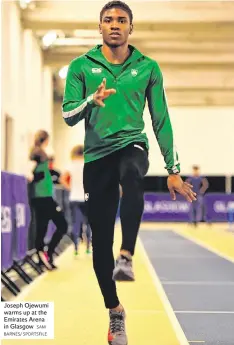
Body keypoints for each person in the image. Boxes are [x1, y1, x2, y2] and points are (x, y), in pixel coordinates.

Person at [62, 1, 196, 344]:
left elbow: (161, 118)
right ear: (100, 27)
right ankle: (115, 311)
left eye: (122, 20)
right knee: (99, 244)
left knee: (132, 174)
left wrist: (173, 169)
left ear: (131, 28)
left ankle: (127, 255)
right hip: (96, 157)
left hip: (132, 145)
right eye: (108, 20)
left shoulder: (148, 67)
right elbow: (68, 115)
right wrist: (91, 100)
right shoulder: (81, 66)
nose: (115, 25)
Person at [29, 130, 68, 270]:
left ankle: (45, 254)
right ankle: (46, 254)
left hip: (43, 197)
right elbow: (32, 170)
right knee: (61, 225)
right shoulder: (39, 155)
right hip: (42, 197)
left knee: (43, 227)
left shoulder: (41, 158)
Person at [60, 145, 92, 256]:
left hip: (74, 197)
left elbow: (62, 179)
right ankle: (88, 247)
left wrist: (70, 188)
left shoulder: (71, 165)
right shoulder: (89, 164)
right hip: (87, 197)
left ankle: (76, 248)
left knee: (76, 223)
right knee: (88, 223)